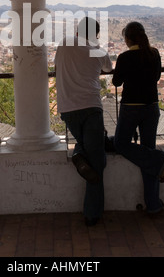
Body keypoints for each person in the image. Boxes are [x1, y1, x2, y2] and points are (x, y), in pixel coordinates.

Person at [112, 21, 164, 214]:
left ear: (127, 39)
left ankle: (160, 159)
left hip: (131, 107)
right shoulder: (154, 53)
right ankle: (153, 204)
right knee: (147, 150)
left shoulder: (124, 57)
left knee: (121, 143)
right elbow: (157, 77)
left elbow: (116, 82)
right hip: (151, 107)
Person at [55, 17, 112, 226]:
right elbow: (107, 69)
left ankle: (79, 154)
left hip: (68, 108)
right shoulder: (99, 50)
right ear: (96, 34)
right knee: (98, 160)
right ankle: (92, 213)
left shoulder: (64, 44)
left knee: (88, 147)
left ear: (77, 31)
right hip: (91, 106)